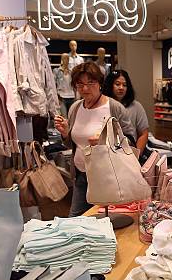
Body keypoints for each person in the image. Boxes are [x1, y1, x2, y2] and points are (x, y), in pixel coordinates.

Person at [54, 62, 135, 217]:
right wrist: (65, 133)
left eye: (90, 83)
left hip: (107, 176)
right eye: (80, 84)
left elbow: (130, 140)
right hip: (80, 174)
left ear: (100, 83)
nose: (85, 89)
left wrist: (106, 140)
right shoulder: (75, 108)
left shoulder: (114, 107)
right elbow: (74, 143)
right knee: (76, 219)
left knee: (105, 220)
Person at [103, 70, 149, 159]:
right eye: (117, 84)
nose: (121, 88)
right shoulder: (103, 106)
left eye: (124, 85)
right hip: (107, 156)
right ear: (110, 85)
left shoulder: (136, 106)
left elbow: (144, 134)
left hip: (130, 153)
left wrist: (136, 156)